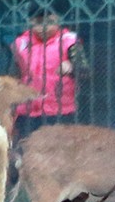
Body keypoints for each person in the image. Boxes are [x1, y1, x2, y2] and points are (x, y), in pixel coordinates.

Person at [11, 7, 85, 138]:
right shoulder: (21, 43)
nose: (44, 27)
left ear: (58, 21)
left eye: (50, 22)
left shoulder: (69, 41)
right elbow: (12, 74)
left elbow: (85, 71)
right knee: (26, 149)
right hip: (27, 111)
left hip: (60, 110)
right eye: (39, 23)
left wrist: (72, 68)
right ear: (31, 22)